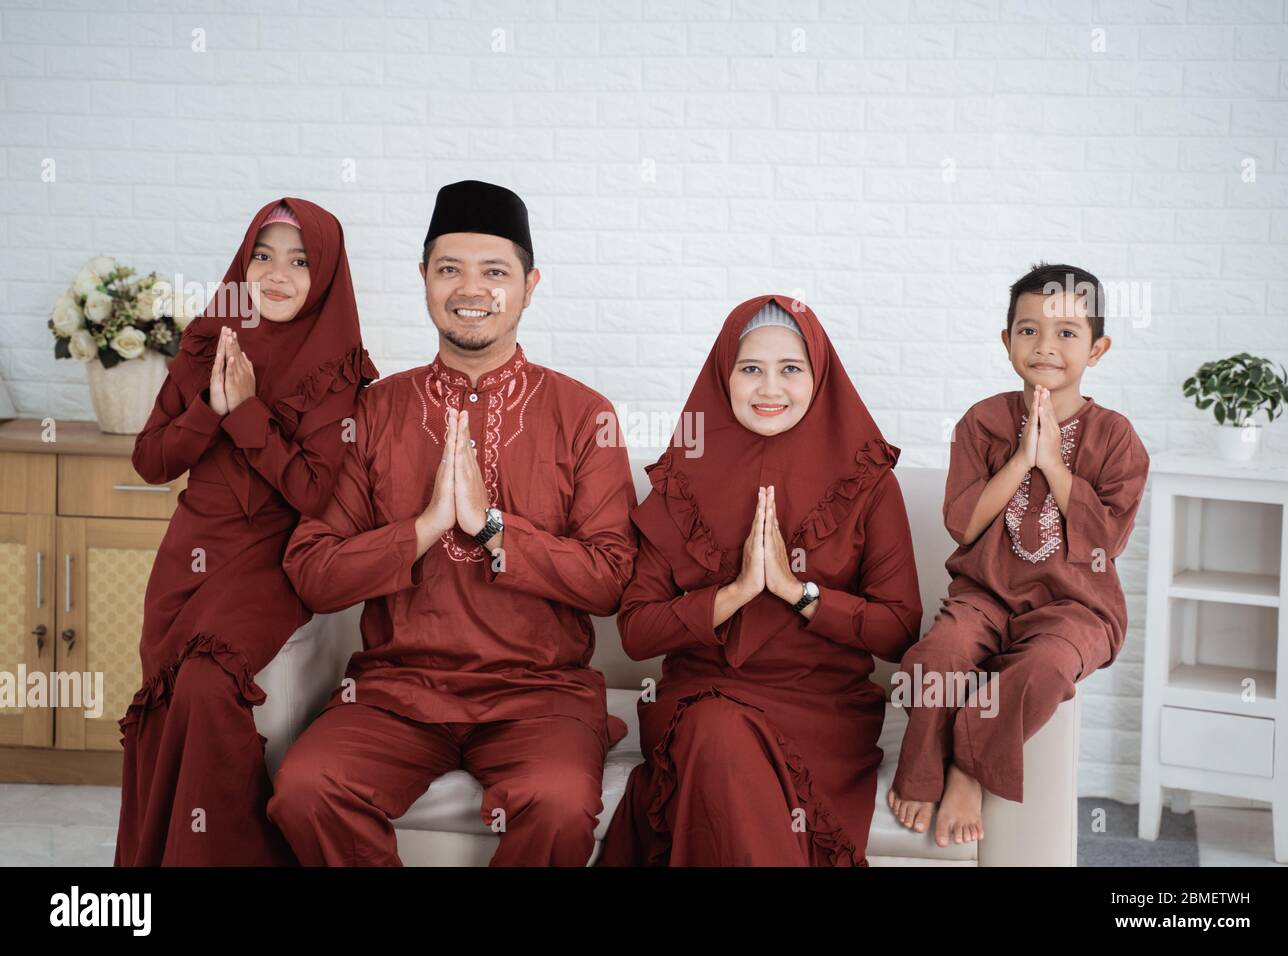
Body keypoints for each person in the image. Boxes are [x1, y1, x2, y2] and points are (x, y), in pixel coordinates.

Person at [266, 180, 638, 866]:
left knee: (556, 804)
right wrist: (425, 527)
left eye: (494, 272)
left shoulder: (586, 415)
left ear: (529, 286)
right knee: (305, 789)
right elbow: (312, 572)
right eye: (449, 269)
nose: (471, 288)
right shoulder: (374, 411)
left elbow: (611, 580)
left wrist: (494, 528)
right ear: (424, 280)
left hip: (540, 692)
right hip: (396, 689)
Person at [598, 294, 923, 866]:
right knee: (716, 733)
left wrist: (800, 595)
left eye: (790, 369)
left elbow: (898, 630)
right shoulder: (679, 479)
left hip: (821, 711)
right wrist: (736, 593)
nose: (769, 388)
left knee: (720, 746)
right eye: (751, 368)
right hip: (700, 698)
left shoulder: (868, 483)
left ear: (818, 377)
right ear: (724, 375)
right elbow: (636, 632)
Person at [115, 197, 378, 866]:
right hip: (187, 559)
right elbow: (151, 460)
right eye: (263, 255)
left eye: (300, 260)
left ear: (326, 275)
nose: (278, 274)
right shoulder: (209, 341)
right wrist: (211, 407)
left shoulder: (340, 371)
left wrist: (249, 415)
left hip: (272, 559)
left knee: (206, 682)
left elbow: (317, 494)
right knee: (171, 697)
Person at [887, 262, 1150, 848]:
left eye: (1066, 333)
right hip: (985, 596)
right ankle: (922, 771)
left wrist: (1056, 466)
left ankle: (966, 770)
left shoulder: (1116, 437)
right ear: (1006, 342)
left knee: (1043, 669)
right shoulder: (983, 422)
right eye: (1028, 330)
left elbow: (1103, 542)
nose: (1046, 346)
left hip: (1076, 608)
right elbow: (963, 523)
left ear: (1097, 348)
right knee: (938, 655)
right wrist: (1022, 459)